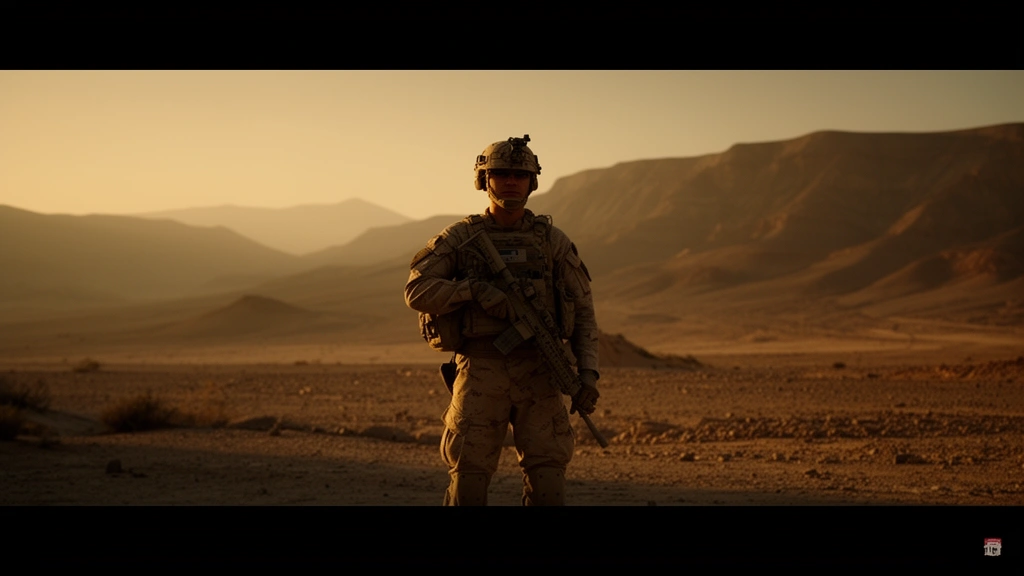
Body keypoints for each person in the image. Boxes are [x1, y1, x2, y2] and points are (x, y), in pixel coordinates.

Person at [404, 135, 601, 506]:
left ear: (532, 182)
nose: (511, 181)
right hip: (481, 370)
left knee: (548, 480)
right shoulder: (461, 239)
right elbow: (417, 292)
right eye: (501, 174)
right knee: (469, 479)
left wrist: (588, 374)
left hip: (541, 371)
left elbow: (586, 314)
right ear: (484, 180)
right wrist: (473, 290)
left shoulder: (552, 242)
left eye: (520, 175)